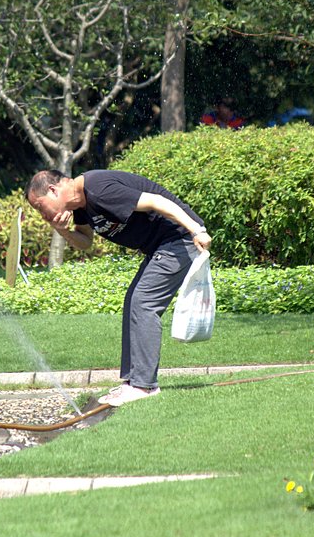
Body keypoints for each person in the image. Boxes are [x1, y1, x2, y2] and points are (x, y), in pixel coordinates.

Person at [25, 169, 212, 406]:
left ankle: (144, 387)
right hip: (160, 246)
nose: (42, 215)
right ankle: (133, 382)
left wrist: (197, 230)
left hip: (179, 239)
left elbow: (157, 201)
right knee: (133, 300)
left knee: (143, 303)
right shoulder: (80, 206)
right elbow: (85, 243)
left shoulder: (98, 189)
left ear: (53, 190)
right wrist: (62, 230)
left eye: (40, 207)